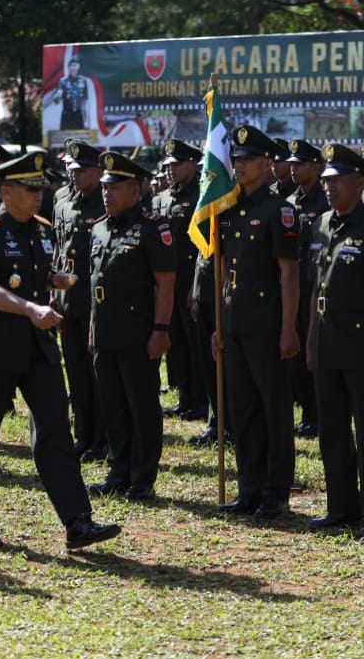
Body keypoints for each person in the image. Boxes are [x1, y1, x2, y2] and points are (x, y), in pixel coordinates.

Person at [0, 149, 120, 550]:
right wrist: (31, 308)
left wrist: (54, 279)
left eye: (40, 189)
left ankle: (78, 522)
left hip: (36, 347)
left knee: (54, 430)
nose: (38, 196)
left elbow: (32, 272)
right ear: (6, 191)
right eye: (29, 190)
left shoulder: (42, 229)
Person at [307, 144, 364, 539]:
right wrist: (311, 341)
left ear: (360, 182)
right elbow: (316, 290)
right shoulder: (322, 224)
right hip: (328, 341)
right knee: (332, 429)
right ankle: (340, 505)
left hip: (362, 345)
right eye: (327, 181)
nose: (330, 187)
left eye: (338, 180)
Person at [214, 125, 301, 518]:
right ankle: (249, 486)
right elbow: (223, 268)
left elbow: (289, 272)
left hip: (267, 325)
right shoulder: (228, 207)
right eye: (237, 159)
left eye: (248, 159)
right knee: (243, 408)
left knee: (273, 409)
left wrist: (288, 327)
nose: (240, 165)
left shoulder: (279, 211)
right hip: (234, 321)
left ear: (267, 164)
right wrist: (219, 324)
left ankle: (275, 490)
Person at [85, 151, 176, 501]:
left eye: (115, 188)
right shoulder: (99, 227)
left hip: (138, 333)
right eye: (104, 187)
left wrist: (161, 330)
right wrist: (92, 327)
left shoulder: (153, 228)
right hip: (106, 331)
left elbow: (165, 283)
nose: (106, 193)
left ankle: (142, 476)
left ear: (135, 191)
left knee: (141, 406)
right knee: (112, 405)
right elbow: (96, 283)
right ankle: (118, 471)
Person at [52, 139, 107, 461]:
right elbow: (59, 248)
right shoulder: (61, 200)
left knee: (96, 372)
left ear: (98, 172)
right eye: (72, 169)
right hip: (68, 299)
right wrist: (53, 293)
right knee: (75, 369)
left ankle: (102, 437)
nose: (75, 174)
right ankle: (83, 433)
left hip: (94, 299)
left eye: (83, 170)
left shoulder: (105, 202)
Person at [152, 139, 209, 423]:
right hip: (166, 284)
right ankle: (185, 397)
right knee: (175, 342)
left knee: (195, 343)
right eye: (168, 165)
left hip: (190, 280)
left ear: (192, 164)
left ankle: (200, 400)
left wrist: (197, 286)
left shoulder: (202, 195)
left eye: (176, 165)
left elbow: (205, 246)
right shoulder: (161, 198)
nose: (170, 170)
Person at [286, 139, 329, 438]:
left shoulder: (325, 201)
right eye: (292, 164)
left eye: (300, 164)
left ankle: (320, 414)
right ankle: (307, 413)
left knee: (316, 351)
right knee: (297, 354)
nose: (294, 169)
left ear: (315, 167)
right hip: (294, 288)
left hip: (317, 287)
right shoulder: (289, 201)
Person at [52, 56, 87, 131]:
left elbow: (85, 103)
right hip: (67, 117)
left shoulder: (83, 81)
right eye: (71, 65)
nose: (73, 68)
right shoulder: (63, 81)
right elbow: (56, 101)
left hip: (78, 116)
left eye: (75, 65)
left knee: (79, 138)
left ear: (79, 66)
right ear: (68, 68)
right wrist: (57, 96)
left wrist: (86, 120)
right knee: (66, 137)